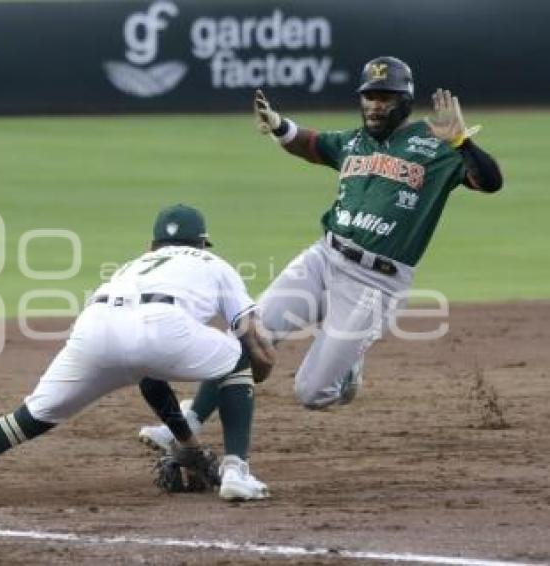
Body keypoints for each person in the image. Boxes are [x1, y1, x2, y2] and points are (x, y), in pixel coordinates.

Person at [138, 56, 503, 452]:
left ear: (405, 100)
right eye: (369, 97)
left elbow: (490, 183)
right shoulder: (354, 142)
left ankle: (347, 373)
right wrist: (279, 126)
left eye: (385, 97)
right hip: (323, 258)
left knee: (312, 392)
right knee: (246, 336)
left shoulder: (435, 147)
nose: (375, 105)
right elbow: (312, 144)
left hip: (374, 282)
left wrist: (462, 143)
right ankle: (189, 422)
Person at [0, 204, 275, 504]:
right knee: (235, 354)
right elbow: (252, 334)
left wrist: (187, 445)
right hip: (163, 322)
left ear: (152, 245)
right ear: (203, 244)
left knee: (27, 418)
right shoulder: (215, 264)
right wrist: (254, 370)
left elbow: (148, 374)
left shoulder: (132, 266)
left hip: (96, 324)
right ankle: (236, 473)